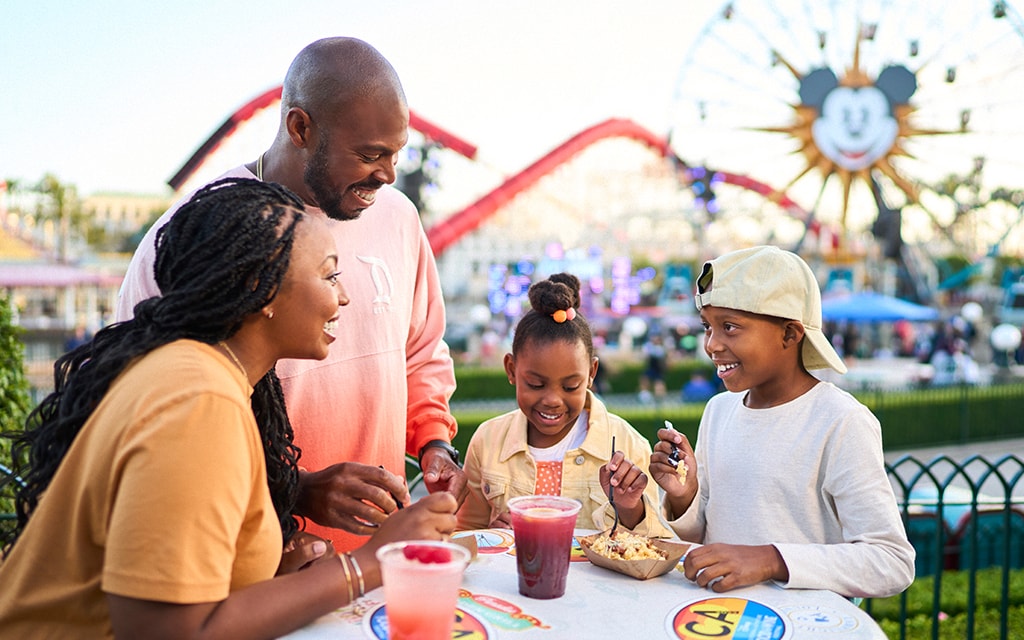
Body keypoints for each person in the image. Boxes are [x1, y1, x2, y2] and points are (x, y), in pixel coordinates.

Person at [0, 179, 457, 638]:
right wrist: (369, 564)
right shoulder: (198, 402)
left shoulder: (202, 375)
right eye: (329, 275)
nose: (343, 297)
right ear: (262, 290)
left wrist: (269, 577)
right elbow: (166, 631)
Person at [114, 37, 465, 552]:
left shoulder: (398, 217)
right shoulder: (194, 236)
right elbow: (149, 412)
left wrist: (434, 441)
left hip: (377, 558)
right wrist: (295, 489)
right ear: (300, 128)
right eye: (369, 155)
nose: (388, 176)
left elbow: (421, 351)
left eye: (395, 155)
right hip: (245, 561)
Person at [650, 246, 915, 599]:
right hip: (716, 619)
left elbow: (891, 561)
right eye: (707, 327)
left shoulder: (841, 421)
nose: (712, 344)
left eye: (729, 327)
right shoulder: (718, 410)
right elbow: (702, 538)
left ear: (790, 334)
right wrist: (685, 495)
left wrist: (772, 559)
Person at [457, 273, 672, 537]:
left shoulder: (628, 445)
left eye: (570, 387)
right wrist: (492, 535)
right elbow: (466, 533)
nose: (552, 400)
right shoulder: (487, 441)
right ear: (511, 369)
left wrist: (630, 509)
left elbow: (653, 544)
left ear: (592, 373)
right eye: (535, 384)